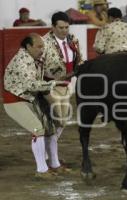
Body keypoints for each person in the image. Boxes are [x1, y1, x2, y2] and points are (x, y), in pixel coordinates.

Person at [3, 33, 67, 179]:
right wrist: (54, 83)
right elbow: (30, 85)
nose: (42, 50)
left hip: (31, 98)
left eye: (43, 46)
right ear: (28, 47)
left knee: (51, 128)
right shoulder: (22, 60)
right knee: (38, 130)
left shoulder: (36, 57)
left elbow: (54, 67)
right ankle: (42, 170)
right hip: (15, 100)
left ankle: (55, 164)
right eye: (39, 47)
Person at [43, 12, 83, 136]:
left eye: (66, 27)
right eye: (61, 28)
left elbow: (78, 58)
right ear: (53, 27)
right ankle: (46, 150)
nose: (64, 31)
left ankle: (51, 146)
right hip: (49, 85)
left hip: (66, 85)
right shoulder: (44, 42)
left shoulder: (73, 39)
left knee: (62, 121)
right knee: (55, 118)